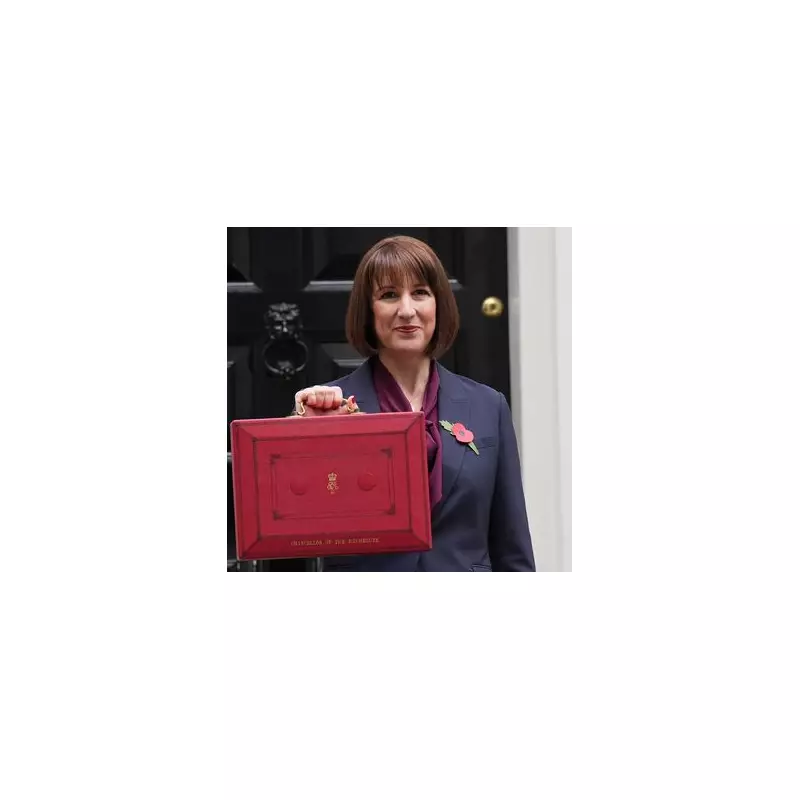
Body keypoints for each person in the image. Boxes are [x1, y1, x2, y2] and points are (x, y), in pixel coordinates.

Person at [292, 235, 535, 572]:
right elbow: (295, 533)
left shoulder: (488, 406)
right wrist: (303, 435)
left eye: (420, 292)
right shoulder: (330, 407)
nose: (407, 311)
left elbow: (512, 545)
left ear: (438, 304)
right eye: (389, 295)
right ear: (368, 311)